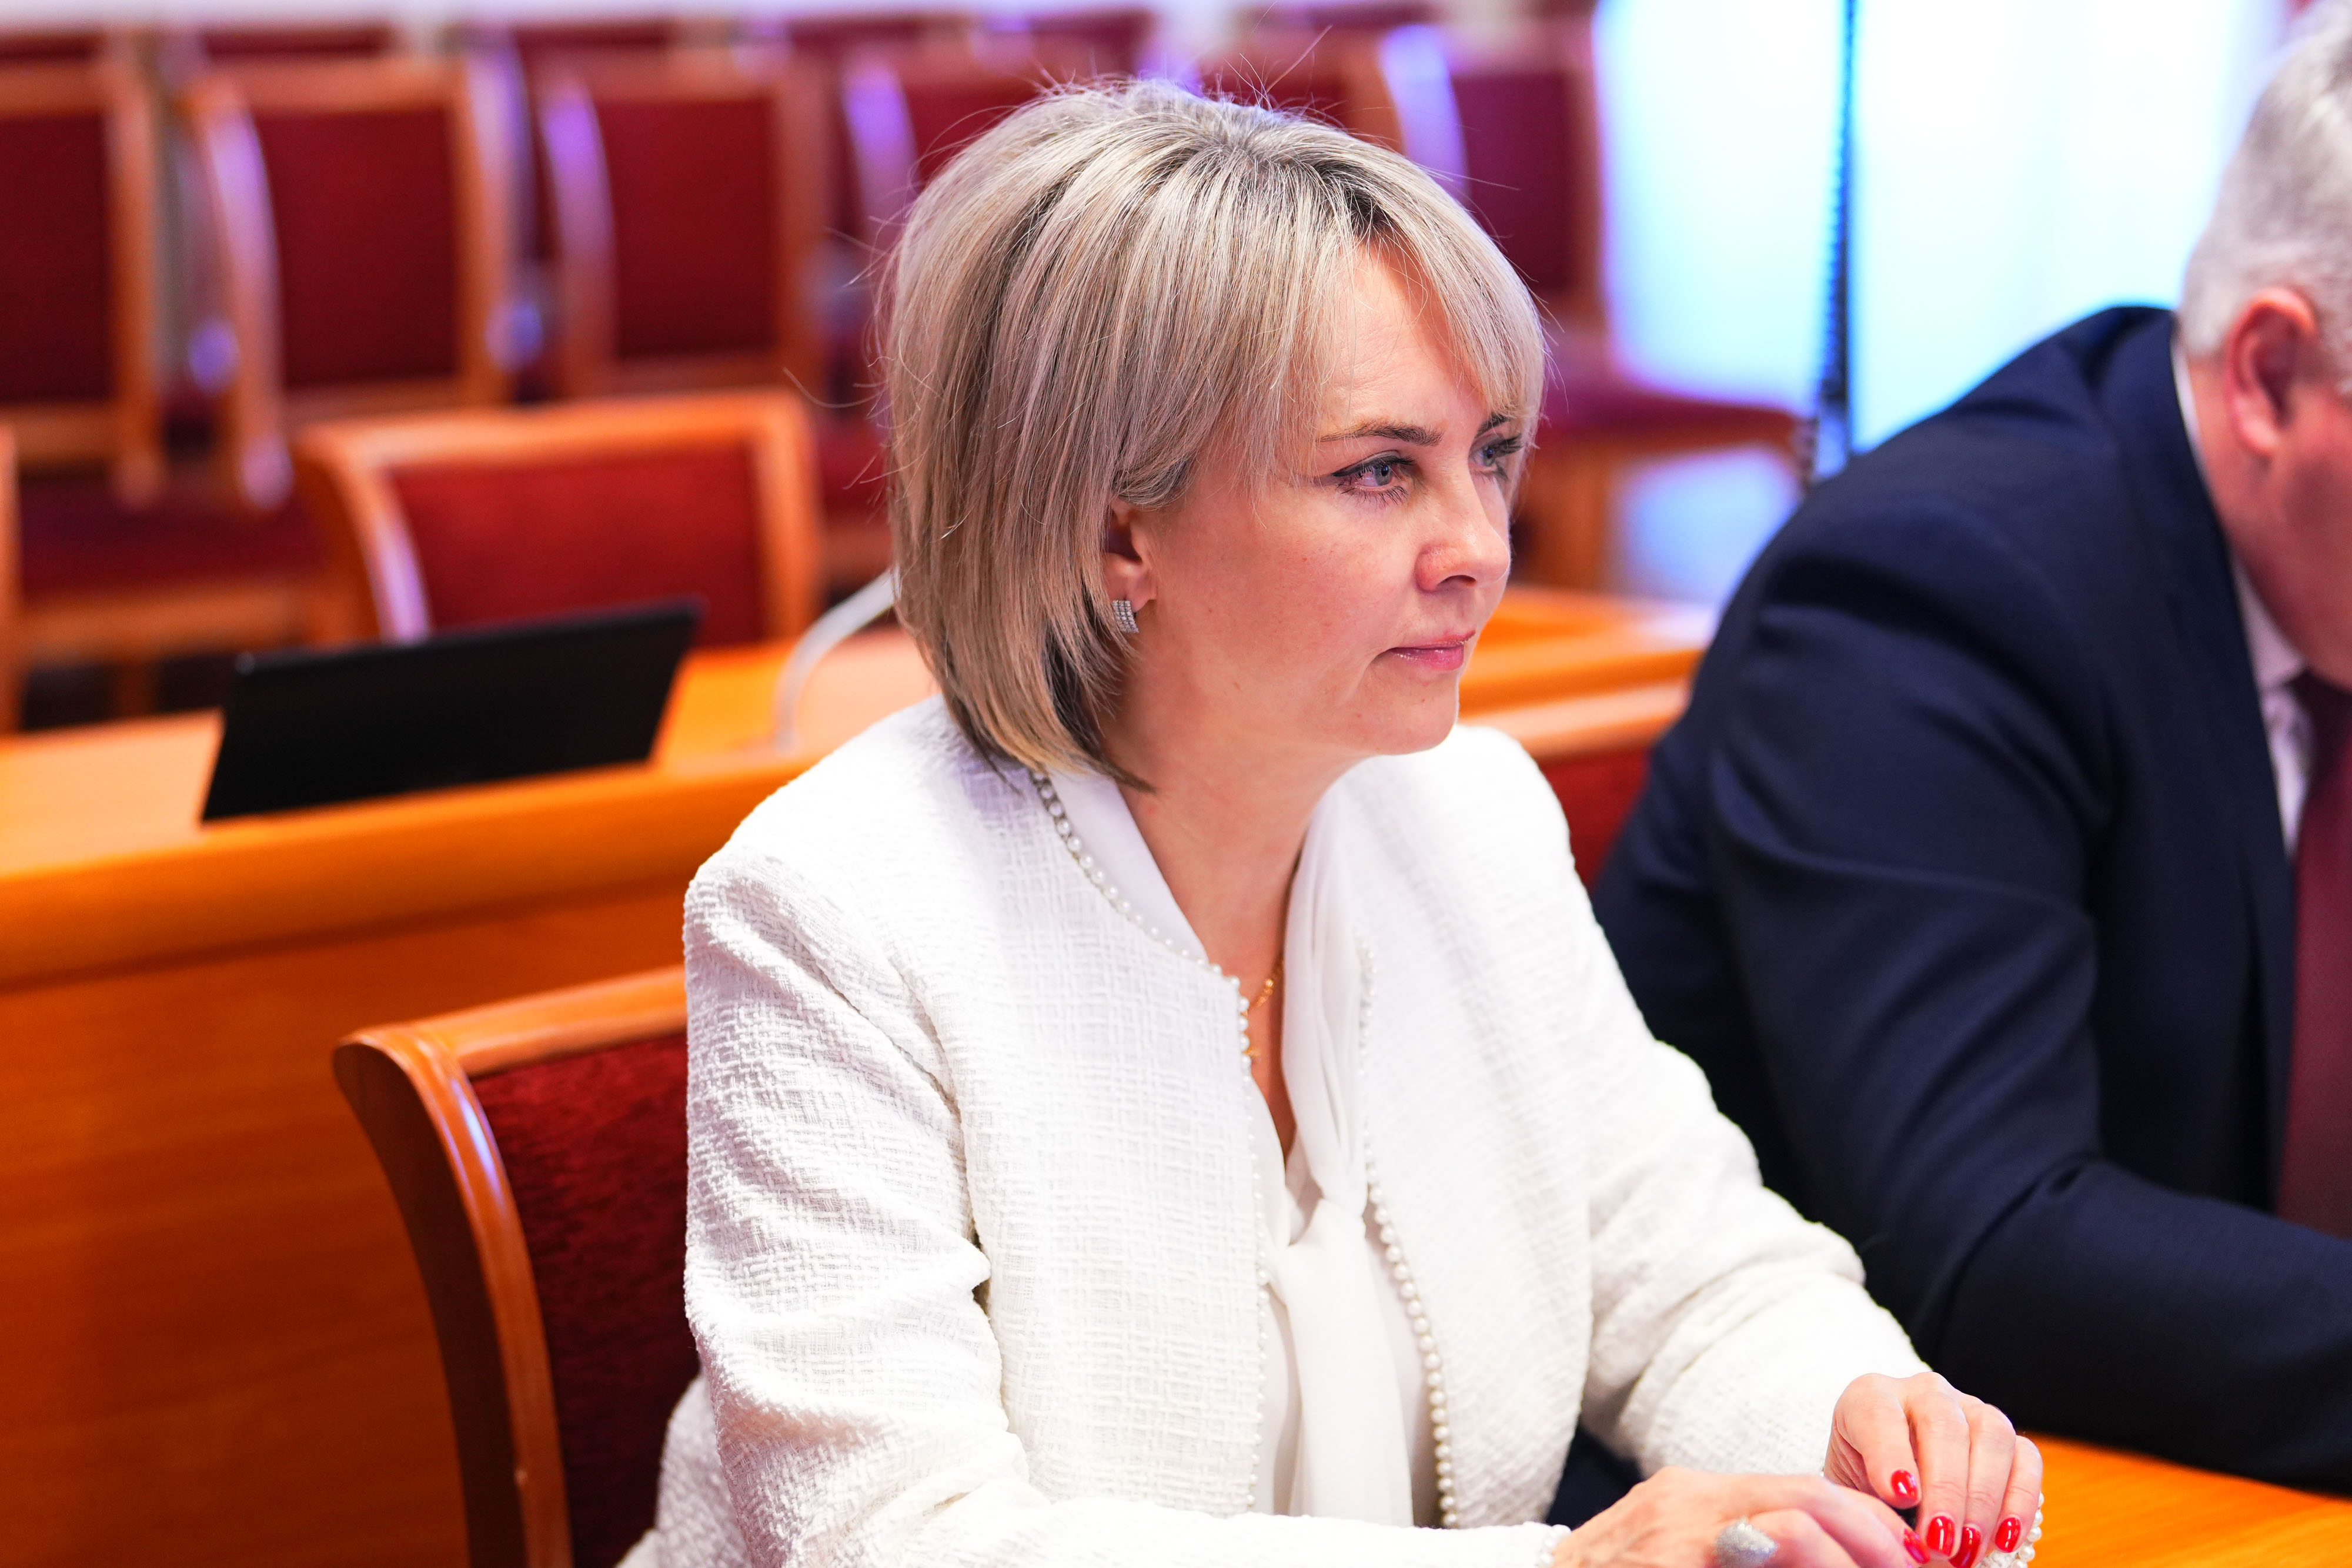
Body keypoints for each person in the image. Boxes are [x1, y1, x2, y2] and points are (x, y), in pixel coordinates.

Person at [635, 83, 2039, 1568]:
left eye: (1489, 453)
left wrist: (1858, 1422)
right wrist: (1560, 1567)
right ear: (1115, 528)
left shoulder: (1472, 816)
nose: (1480, 548)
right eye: (1378, 471)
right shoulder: (832, 905)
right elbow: (897, 1538)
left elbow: (1691, 1278)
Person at [1594, 2, 2352, 1495]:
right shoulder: (1935, 588)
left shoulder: (2314, 566)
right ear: (2268, 375)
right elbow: (1992, 1247)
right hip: (1825, 1497)